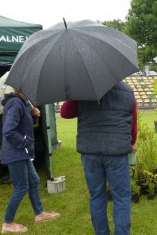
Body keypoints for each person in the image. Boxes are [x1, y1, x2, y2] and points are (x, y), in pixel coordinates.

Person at [60, 81, 137, 235]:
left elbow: (65, 112)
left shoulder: (83, 90)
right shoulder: (128, 92)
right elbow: (132, 122)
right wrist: (133, 141)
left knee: (97, 196)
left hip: (91, 152)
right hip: (116, 153)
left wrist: (75, 92)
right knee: (121, 197)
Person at [1, 88, 60, 233]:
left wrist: (33, 115)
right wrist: (25, 144)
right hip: (16, 153)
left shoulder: (23, 103)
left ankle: (40, 214)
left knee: (34, 180)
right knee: (21, 187)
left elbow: (22, 124)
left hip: (22, 152)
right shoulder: (16, 103)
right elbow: (9, 131)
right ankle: (7, 223)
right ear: (22, 88)